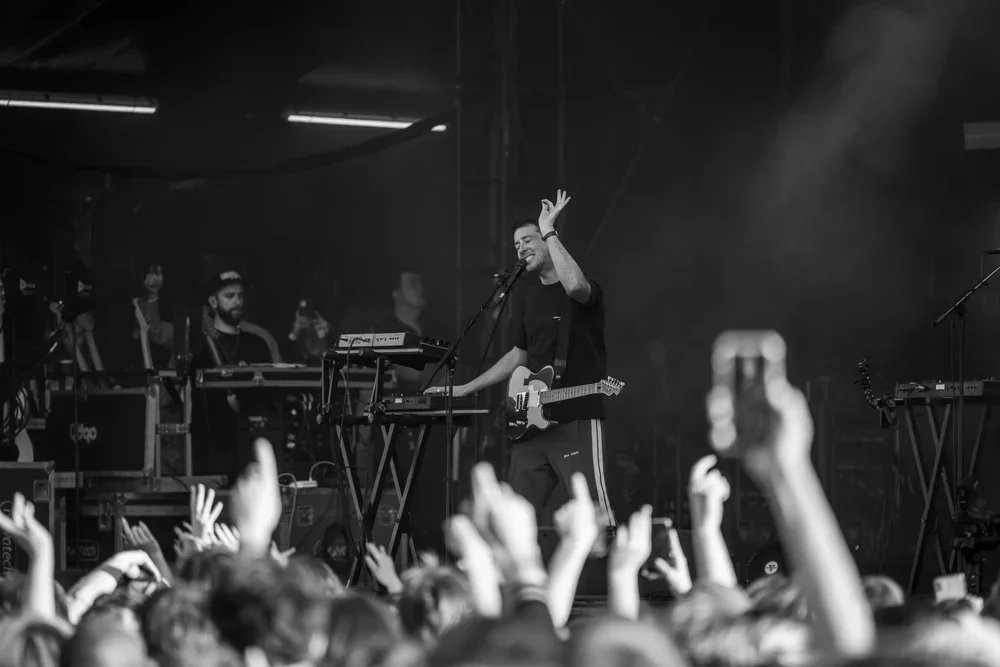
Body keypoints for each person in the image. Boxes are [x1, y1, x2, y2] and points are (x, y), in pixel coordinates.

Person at [427, 190, 615, 529]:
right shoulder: (527, 298)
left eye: (528, 240)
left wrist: (548, 228)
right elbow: (518, 356)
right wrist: (468, 387)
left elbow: (575, 287)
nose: (521, 248)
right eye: (516, 245)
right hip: (531, 424)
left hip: (576, 419)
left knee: (593, 518)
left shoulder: (584, 287)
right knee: (516, 520)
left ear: (547, 241)